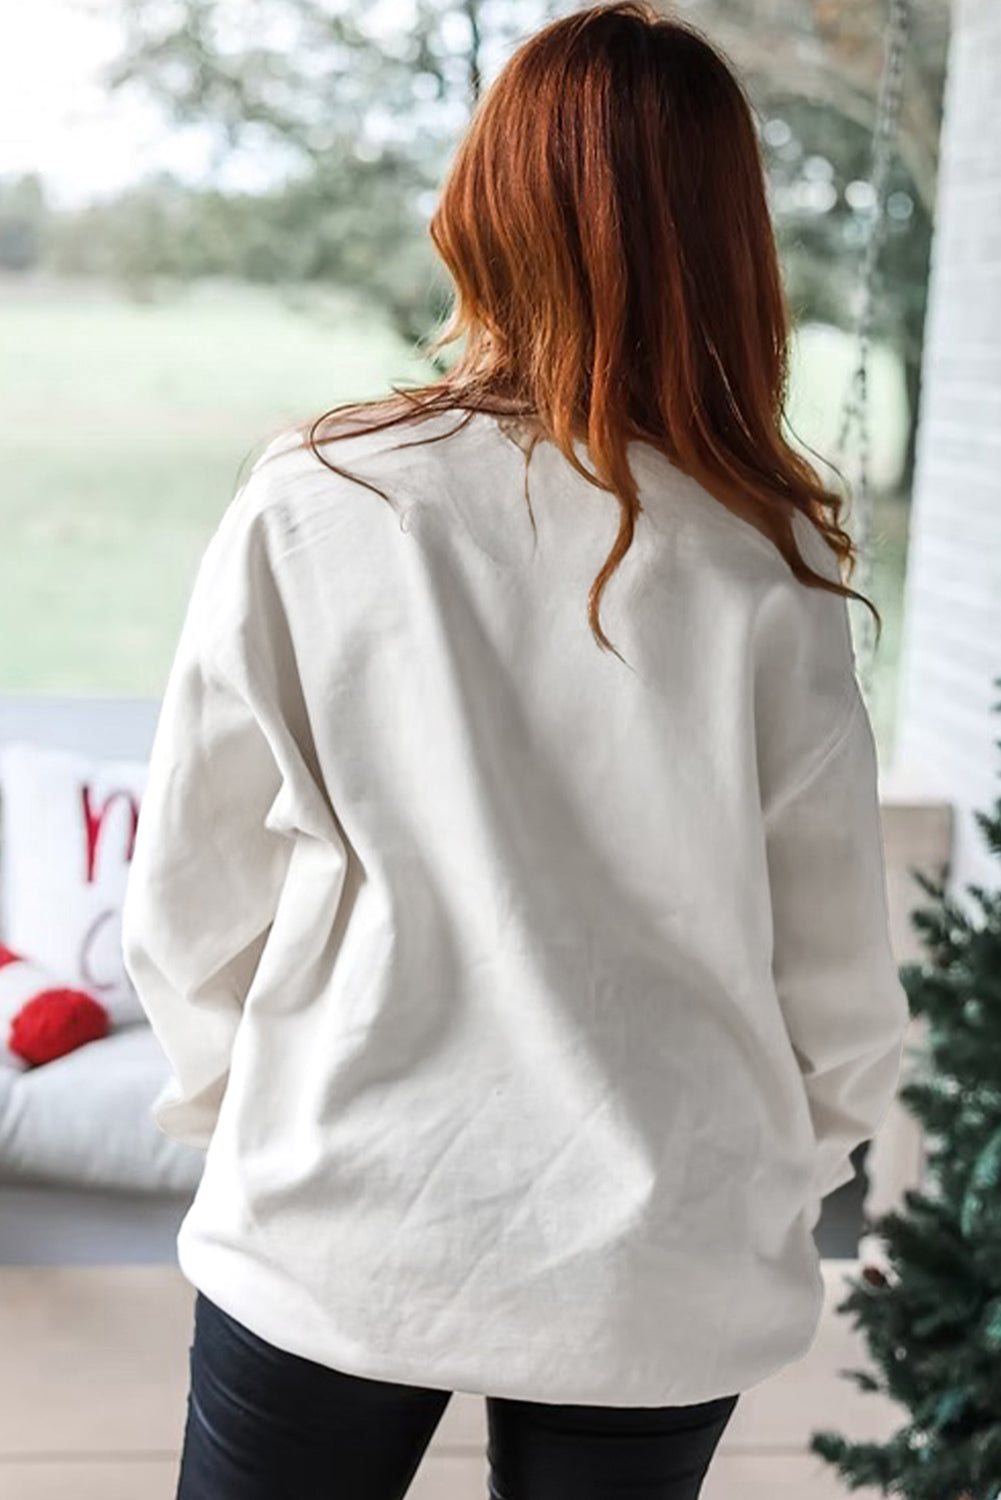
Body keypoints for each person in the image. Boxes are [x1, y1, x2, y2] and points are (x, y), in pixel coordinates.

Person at [120, 2, 912, 1496]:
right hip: (660, 1239)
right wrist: (751, 1175)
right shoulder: (773, 561)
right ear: (727, 245)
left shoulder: (322, 497)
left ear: (480, 211)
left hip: (337, 1205)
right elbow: (835, 976)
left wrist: (256, 1111)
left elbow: (192, 889)